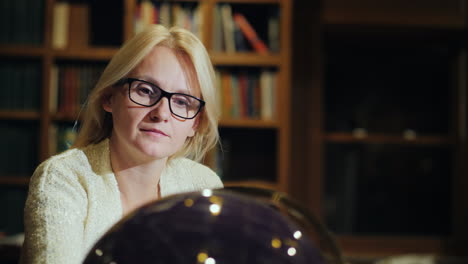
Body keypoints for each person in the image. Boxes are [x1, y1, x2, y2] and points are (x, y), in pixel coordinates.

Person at [20, 24, 223, 264]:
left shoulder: (204, 185)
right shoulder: (63, 179)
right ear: (109, 98)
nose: (161, 113)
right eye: (146, 90)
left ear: (195, 123)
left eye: (181, 101)